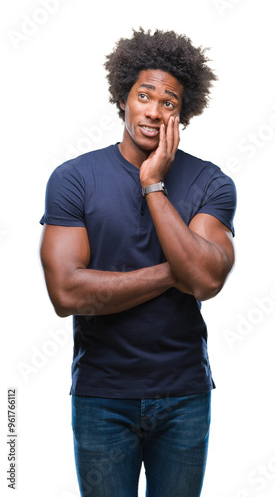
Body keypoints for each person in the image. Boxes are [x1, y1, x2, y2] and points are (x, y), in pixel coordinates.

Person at [39, 28, 236, 497]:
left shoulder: (212, 182)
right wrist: (178, 271)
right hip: (101, 397)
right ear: (122, 98)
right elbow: (67, 294)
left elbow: (206, 282)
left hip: (184, 395)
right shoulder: (74, 179)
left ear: (181, 113)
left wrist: (153, 185)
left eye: (168, 102)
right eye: (143, 95)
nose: (152, 110)